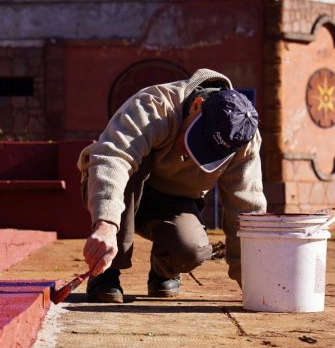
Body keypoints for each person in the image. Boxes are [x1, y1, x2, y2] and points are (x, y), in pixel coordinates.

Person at [78, 68, 267, 303]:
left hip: (173, 201)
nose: (189, 153)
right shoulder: (155, 105)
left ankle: (164, 270)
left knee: (191, 249)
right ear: (197, 105)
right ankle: (105, 272)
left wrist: (256, 286)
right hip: (126, 190)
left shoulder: (242, 141)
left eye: (206, 153)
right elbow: (113, 158)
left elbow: (245, 210)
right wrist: (105, 224)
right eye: (195, 140)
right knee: (128, 169)